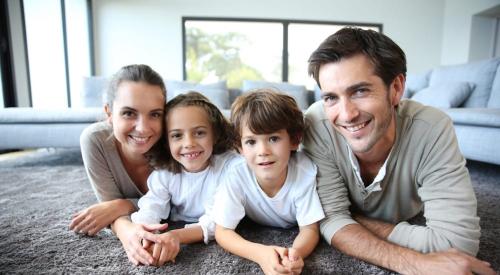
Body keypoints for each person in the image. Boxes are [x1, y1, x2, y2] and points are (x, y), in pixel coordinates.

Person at [303, 27, 495, 274]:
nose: (347, 114)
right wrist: (416, 263)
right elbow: (330, 219)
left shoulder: (432, 128)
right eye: (331, 97)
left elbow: (457, 245)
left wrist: (352, 220)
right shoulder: (317, 123)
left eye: (360, 91)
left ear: (396, 88)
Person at [213, 89, 325, 275]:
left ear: (294, 140)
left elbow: (310, 229)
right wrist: (261, 254)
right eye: (251, 142)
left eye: (273, 138)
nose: (263, 151)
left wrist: (294, 255)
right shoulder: (236, 174)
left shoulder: (305, 171)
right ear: (239, 147)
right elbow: (223, 231)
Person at [70, 64, 170, 266]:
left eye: (155, 114)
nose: (142, 128)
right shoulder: (95, 140)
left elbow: (181, 205)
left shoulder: (175, 141)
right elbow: (111, 209)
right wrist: (128, 233)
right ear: (109, 112)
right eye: (129, 113)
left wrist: (121, 205)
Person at [130, 91, 238, 266]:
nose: (189, 143)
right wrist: (147, 235)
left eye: (199, 133)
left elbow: (219, 221)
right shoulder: (165, 173)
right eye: (177, 136)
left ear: (215, 134)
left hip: (210, 222)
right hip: (178, 219)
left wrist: (177, 236)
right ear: (166, 142)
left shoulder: (229, 168)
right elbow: (152, 205)